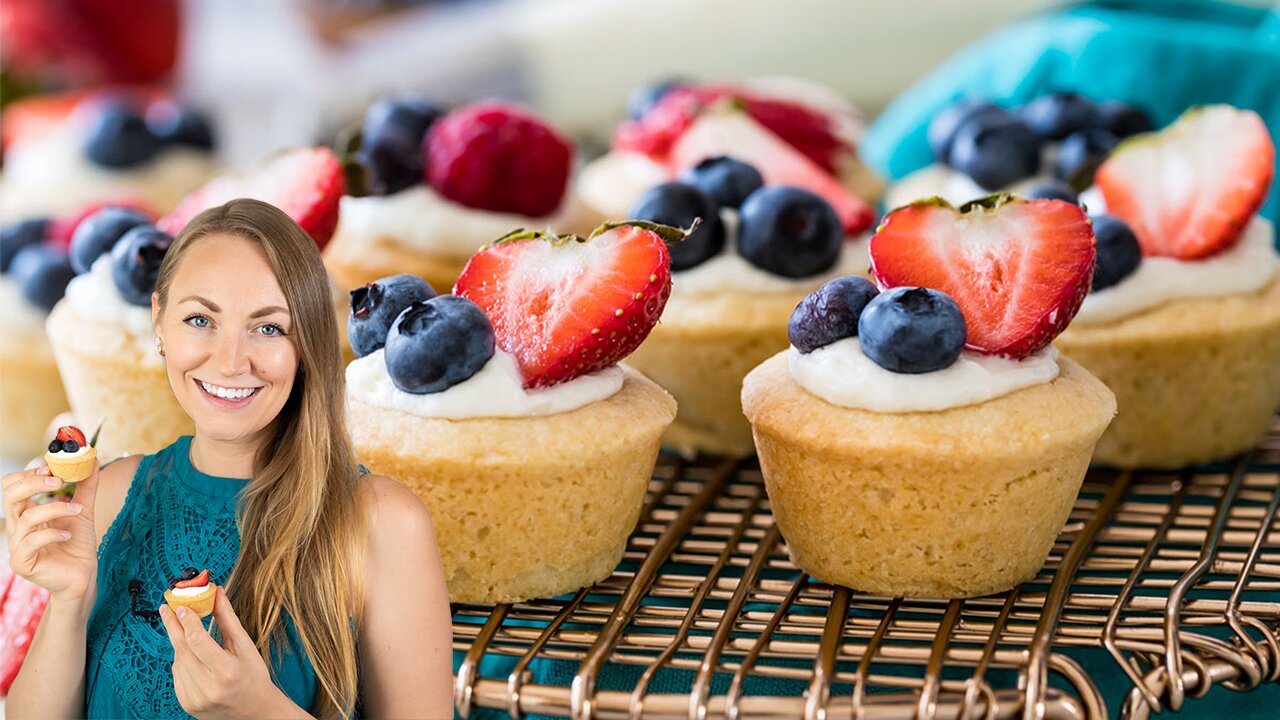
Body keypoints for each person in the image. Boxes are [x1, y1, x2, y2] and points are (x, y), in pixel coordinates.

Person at [3, 198, 454, 718]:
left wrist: (262, 710)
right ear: (159, 324)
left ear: (306, 342)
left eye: (268, 328)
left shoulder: (383, 522)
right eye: (200, 319)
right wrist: (68, 599)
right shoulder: (111, 494)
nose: (230, 360)